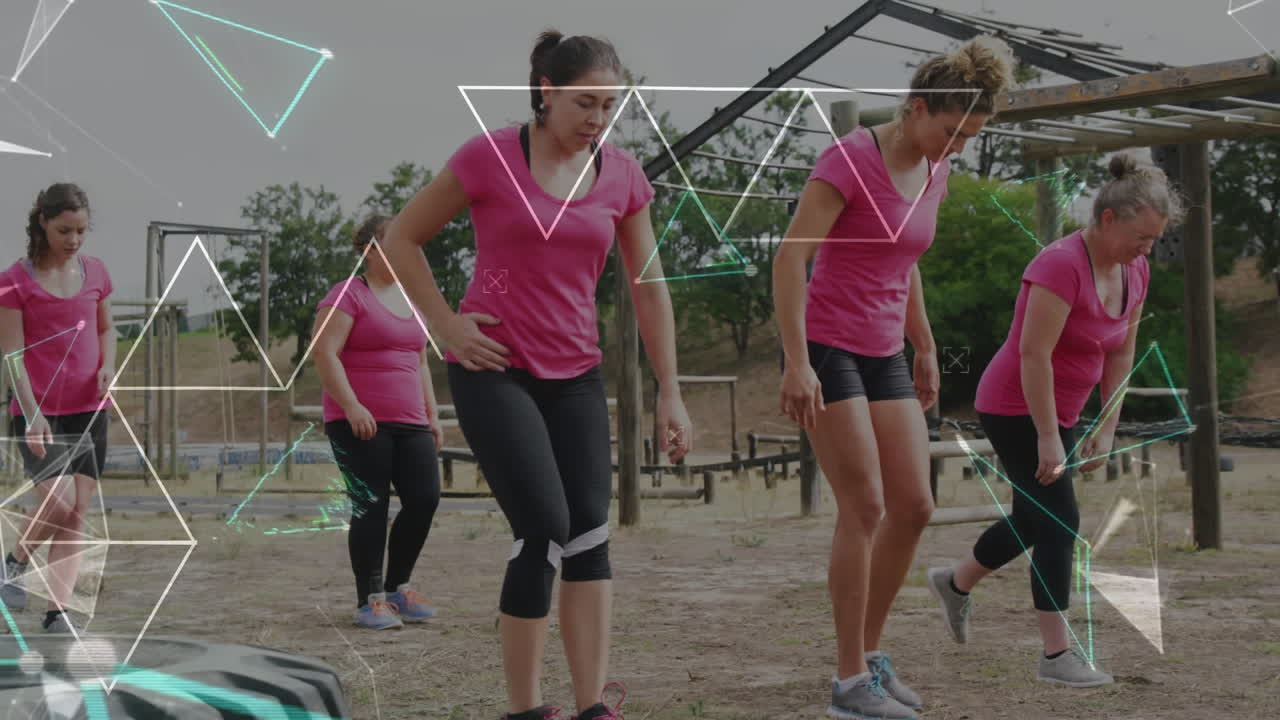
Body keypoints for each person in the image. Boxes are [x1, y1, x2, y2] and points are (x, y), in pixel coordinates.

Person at [382, 30, 692, 720]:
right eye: (586, 102)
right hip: (495, 370)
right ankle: (524, 711)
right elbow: (400, 237)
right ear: (546, 91)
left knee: (589, 532)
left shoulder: (623, 177)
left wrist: (670, 390)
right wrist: (444, 326)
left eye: (609, 108)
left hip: (576, 376)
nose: (597, 119)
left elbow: (649, 286)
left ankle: (591, 706)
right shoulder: (489, 157)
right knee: (544, 528)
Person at [773, 37, 1015, 720]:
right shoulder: (848, 160)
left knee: (915, 506)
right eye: (951, 131)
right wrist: (794, 361)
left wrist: (926, 344)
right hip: (826, 345)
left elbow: (903, 258)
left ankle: (869, 659)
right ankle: (849, 684)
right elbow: (791, 262)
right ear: (914, 109)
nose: (958, 147)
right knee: (865, 507)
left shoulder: (935, 167)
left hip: (884, 349)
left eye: (970, 136)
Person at [927, 153, 1182, 688]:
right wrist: (1048, 438)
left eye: (1155, 239)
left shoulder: (1136, 269)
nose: (1148, 248)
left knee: (1034, 518)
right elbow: (1032, 356)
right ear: (1109, 218)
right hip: (1013, 404)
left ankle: (955, 582)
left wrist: (1107, 426)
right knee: (1060, 519)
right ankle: (1056, 656)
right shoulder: (1058, 265)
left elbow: (1121, 351)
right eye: (1142, 236)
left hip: (1060, 409)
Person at [312, 214, 445, 630]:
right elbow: (325, 353)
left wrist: (433, 413)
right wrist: (351, 405)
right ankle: (369, 600)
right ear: (370, 250)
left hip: (411, 422)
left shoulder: (413, 299)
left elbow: (420, 359)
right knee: (372, 505)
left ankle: (397, 588)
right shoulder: (348, 294)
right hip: (359, 420)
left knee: (425, 498)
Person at [0, 183, 115, 634]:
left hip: (90, 409)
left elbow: (107, 330)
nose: (74, 240)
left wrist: (107, 367)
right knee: (58, 501)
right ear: (43, 223)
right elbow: (12, 354)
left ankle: (58, 611)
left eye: (82, 231)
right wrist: (32, 413)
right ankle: (13, 564)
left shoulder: (98, 272)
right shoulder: (14, 280)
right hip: (37, 413)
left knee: (76, 512)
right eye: (65, 230)